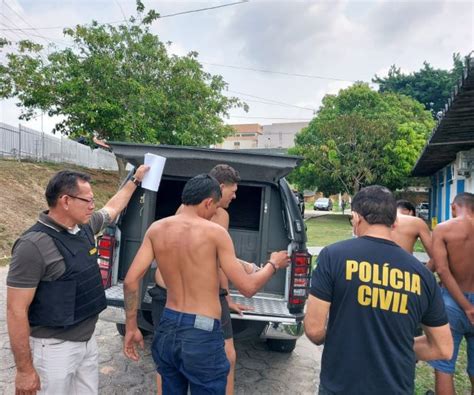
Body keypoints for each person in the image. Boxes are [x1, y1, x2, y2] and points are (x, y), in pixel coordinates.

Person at [123, 174, 289, 394]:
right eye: (215, 207)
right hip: (201, 333)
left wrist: (131, 326)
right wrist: (273, 264)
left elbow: (130, 281)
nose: (215, 214)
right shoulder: (216, 234)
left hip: (167, 325)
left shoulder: (156, 229)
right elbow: (248, 287)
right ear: (208, 202)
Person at [6, 165, 149, 395]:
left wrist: (135, 180)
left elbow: (112, 208)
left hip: (86, 342)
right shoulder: (32, 246)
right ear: (65, 200)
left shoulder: (83, 228)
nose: (93, 206)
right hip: (53, 350)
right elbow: (15, 310)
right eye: (88, 200)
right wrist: (24, 370)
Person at [304, 185, 453, 394]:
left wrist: (345, 338)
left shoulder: (333, 256)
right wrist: (393, 345)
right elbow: (443, 348)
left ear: (356, 218)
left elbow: (313, 330)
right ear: (394, 222)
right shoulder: (423, 276)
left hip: (340, 386)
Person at [149, 164, 253, 395]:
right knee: (220, 358)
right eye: (232, 191)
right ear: (218, 189)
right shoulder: (211, 215)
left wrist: (225, 296)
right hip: (186, 300)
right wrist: (264, 267)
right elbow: (216, 262)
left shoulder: (183, 213)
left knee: (169, 361)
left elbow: (215, 260)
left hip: (175, 297)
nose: (235, 196)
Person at [428, 192, 474, 395]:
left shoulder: (443, 229)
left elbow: (442, 269)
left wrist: (466, 306)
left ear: (453, 207)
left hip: (451, 304)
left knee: (444, 366)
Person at [392, 199, 433, 268]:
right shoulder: (416, 222)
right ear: (410, 212)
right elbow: (435, 257)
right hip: (405, 269)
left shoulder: (379, 221)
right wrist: (423, 275)